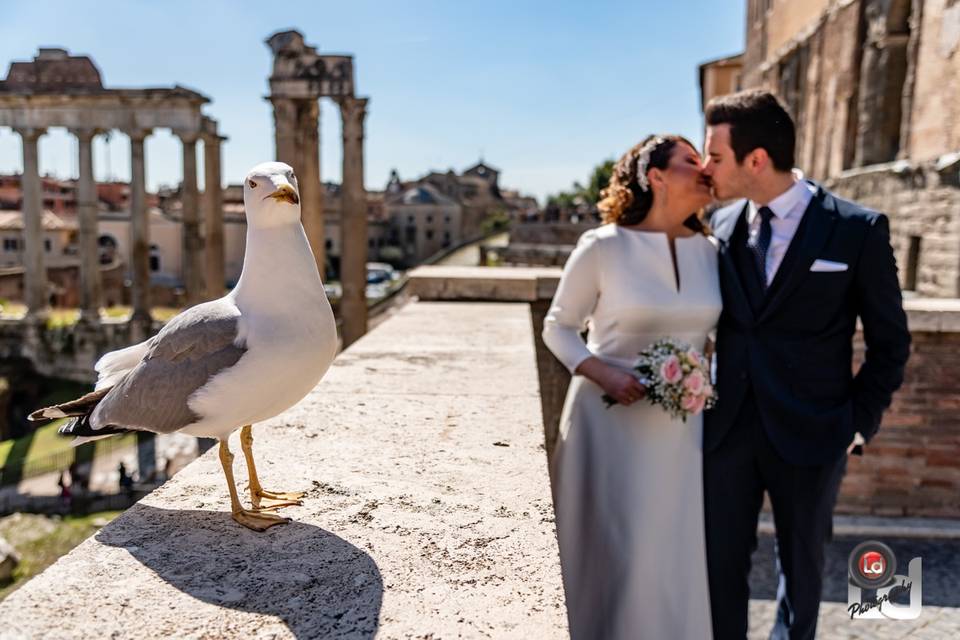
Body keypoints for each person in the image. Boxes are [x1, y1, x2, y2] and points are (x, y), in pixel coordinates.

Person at [700, 90, 911, 639]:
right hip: (726, 435)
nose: (705, 168)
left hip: (815, 433)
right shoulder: (718, 228)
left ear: (756, 160)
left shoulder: (856, 229)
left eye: (715, 157)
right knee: (719, 568)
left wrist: (856, 423)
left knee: (802, 570)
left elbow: (890, 343)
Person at [542, 135, 719, 639]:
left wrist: (706, 378)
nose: (704, 168)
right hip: (607, 424)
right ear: (656, 177)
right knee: (614, 548)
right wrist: (606, 373)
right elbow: (558, 327)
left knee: (668, 550)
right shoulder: (603, 247)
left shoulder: (709, 251)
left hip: (681, 434)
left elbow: (711, 338)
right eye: (691, 161)